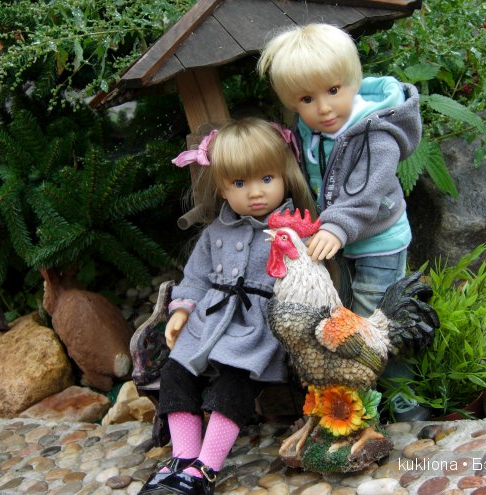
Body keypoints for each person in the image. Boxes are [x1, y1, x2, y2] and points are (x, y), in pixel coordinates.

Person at [258, 23, 427, 421]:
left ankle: (402, 394)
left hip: (378, 240)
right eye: (307, 99)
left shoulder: (376, 133)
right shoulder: (312, 129)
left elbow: (367, 191)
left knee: (374, 323)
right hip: (340, 241)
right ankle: (356, 394)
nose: (324, 108)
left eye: (333, 90)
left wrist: (335, 226)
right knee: (345, 318)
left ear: (353, 81)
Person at [138, 118, 315, 495]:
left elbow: (304, 284)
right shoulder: (214, 233)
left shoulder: (289, 230)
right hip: (209, 319)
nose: (255, 192)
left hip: (255, 326)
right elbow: (196, 277)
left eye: (266, 179)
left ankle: (206, 468)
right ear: (222, 187)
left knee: (233, 384)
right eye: (239, 183)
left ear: (284, 176)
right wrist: (181, 311)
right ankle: (183, 459)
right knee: (175, 372)